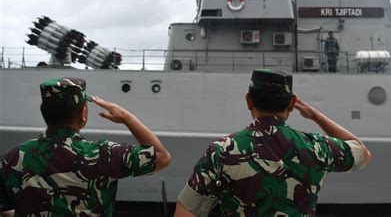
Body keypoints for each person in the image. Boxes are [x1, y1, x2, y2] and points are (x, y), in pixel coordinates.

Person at [174, 69, 371, 216]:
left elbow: (186, 213)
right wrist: (316, 116)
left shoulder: (221, 152)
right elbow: (362, 152)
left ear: (249, 101)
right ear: (292, 104)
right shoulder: (318, 148)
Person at [0, 77, 171, 216]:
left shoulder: (14, 157)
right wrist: (126, 117)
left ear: (44, 112)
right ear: (83, 114)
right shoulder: (104, 155)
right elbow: (162, 157)